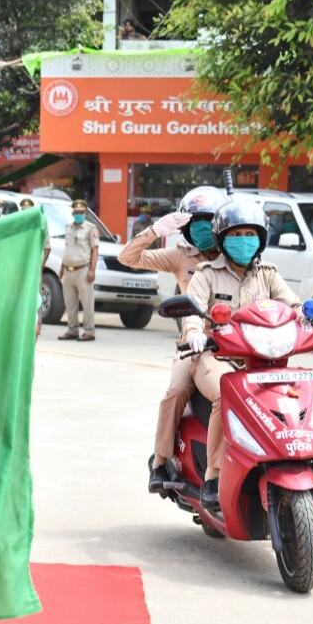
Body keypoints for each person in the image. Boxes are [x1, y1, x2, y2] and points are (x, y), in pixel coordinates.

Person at [181, 199, 313, 509]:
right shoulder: (206, 273)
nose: (243, 242)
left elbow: (294, 306)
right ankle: (213, 476)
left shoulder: (267, 273)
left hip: (264, 358)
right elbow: (192, 309)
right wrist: (195, 332)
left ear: (261, 238)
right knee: (225, 396)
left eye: (249, 234)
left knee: (294, 397)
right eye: (235, 235)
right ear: (222, 239)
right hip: (217, 355)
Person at [119, 186, 225, 491]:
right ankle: (161, 461)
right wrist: (154, 230)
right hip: (193, 345)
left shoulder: (233, 255)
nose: (203, 229)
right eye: (196, 223)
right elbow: (129, 257)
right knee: (176, 392)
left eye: (209, 222)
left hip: (236, 346)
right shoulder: (180, 256)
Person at [58, 199, 100, 342]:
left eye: (81, 213)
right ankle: (72, 329)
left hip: (83, 269)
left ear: (85, 213)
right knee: (70, 302)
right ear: (72, 213)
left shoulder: (90, 229)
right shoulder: (69, 228)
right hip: (68, 270)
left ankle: (89, 331)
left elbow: (95, 250)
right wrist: (62, 268)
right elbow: (67, 249)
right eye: (76, 213)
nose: (78, 215)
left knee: (87, 303)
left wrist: (92, 270)